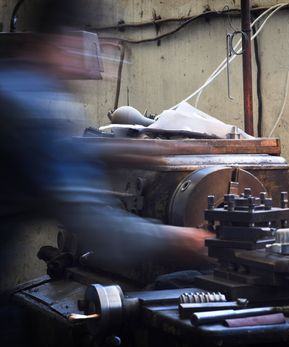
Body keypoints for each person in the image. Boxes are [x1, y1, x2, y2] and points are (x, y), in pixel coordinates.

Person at [0, 0, 212, 292]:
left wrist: (128, 151)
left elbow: (47, 154)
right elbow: (98, 228)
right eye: (87, 42)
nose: (94, 57)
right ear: (63, 41)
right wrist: (189, 239)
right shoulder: (29, 108)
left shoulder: (14, 85)